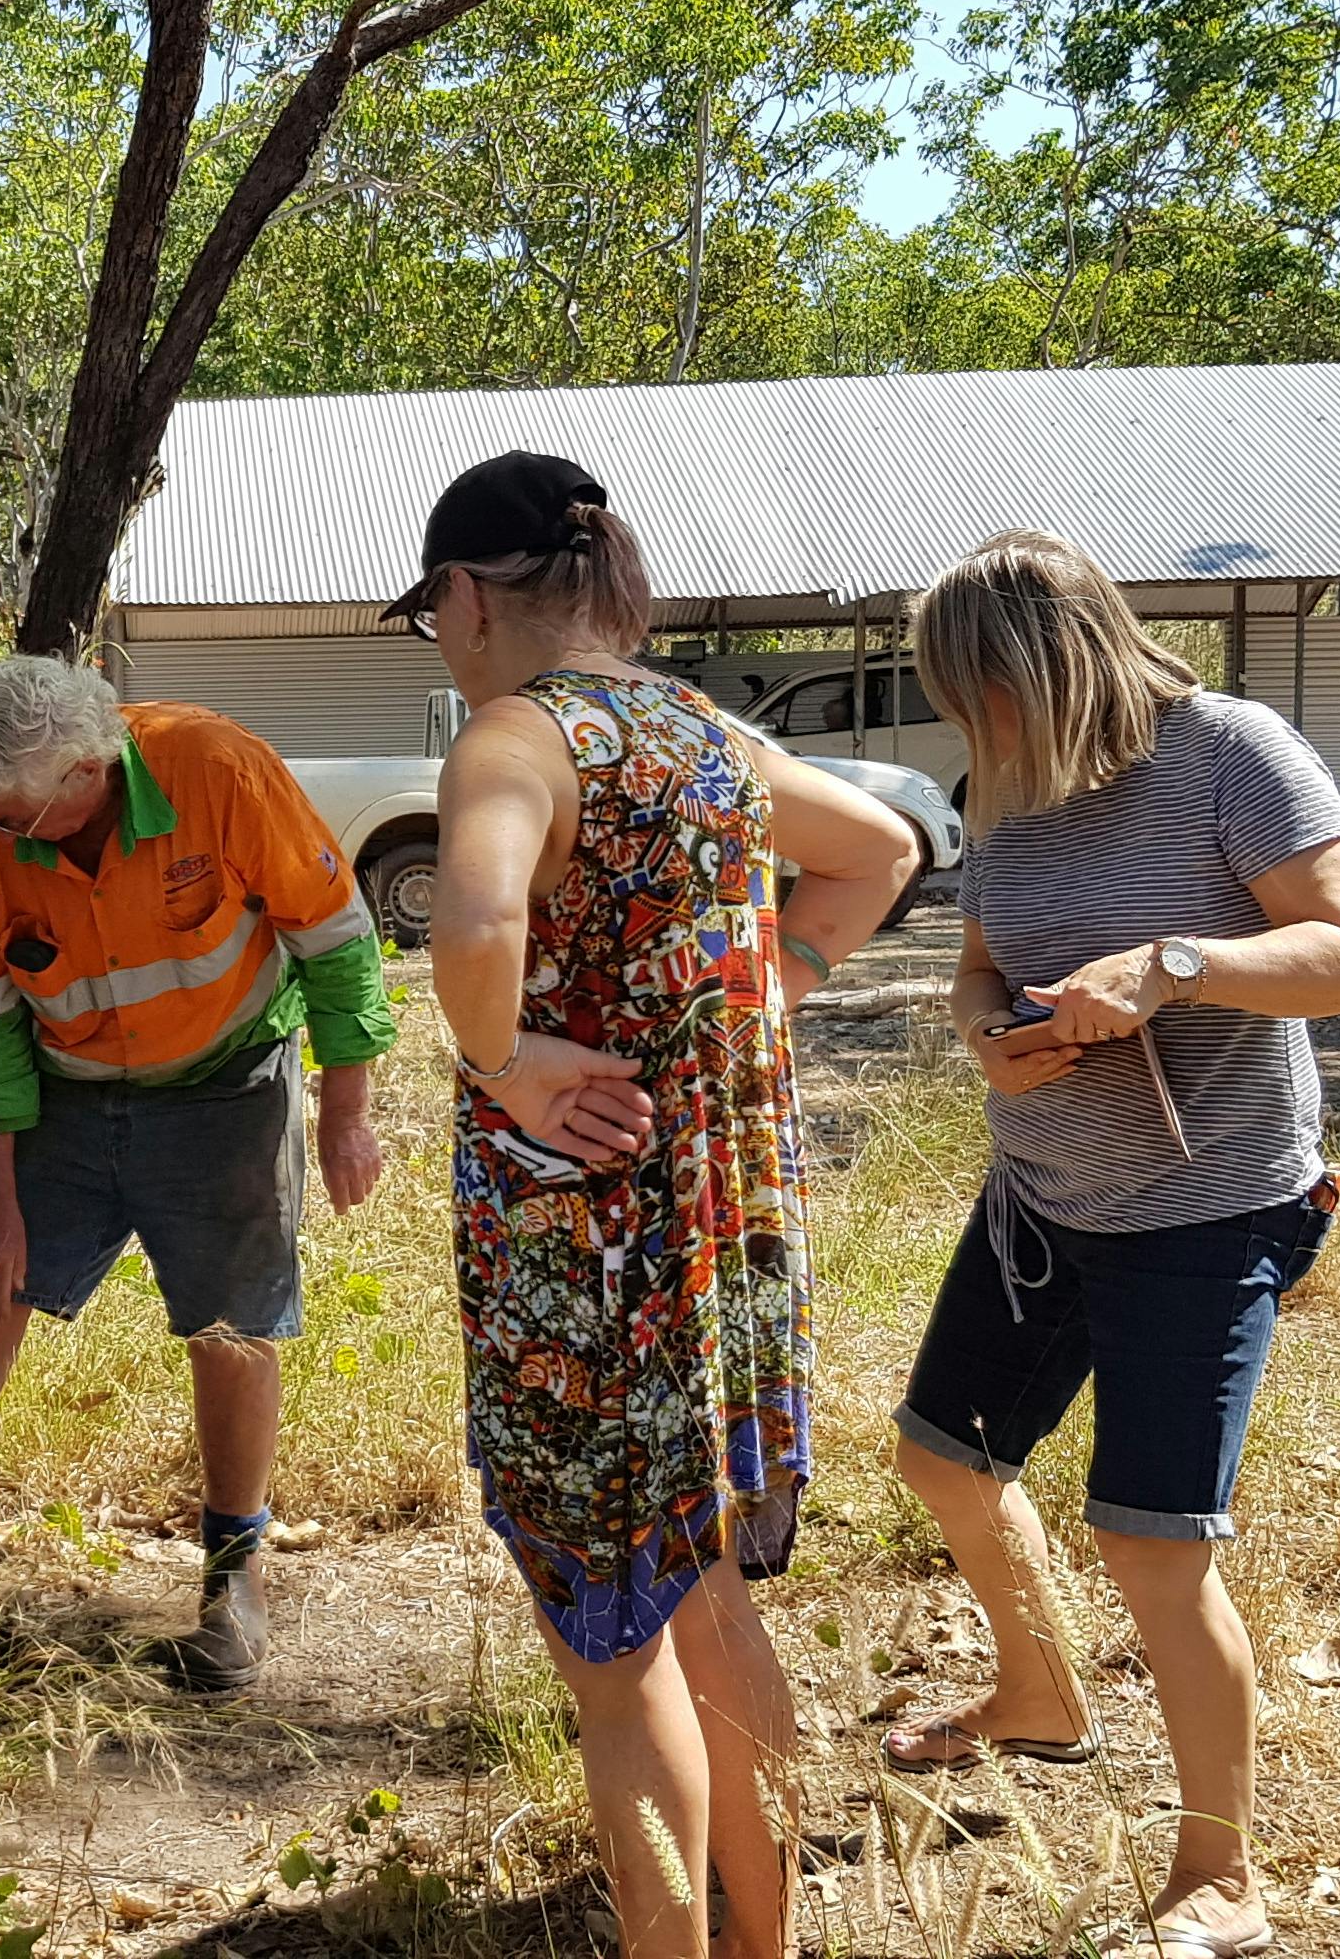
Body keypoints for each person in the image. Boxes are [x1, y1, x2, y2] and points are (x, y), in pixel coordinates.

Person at [410, 450, 917, 1959]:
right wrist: (758, 1007)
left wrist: (501, 1059)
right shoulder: (705, 733)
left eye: (431, 613)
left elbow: (482, 911)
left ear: (463, 598)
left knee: (611, 1649)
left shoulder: (515, 734)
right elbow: (880, 850)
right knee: (694, 1597)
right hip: (727, 1230)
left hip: (587, 1255)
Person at [880, 529, 1340, 1959]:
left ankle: (1223, 1875)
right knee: (944, 1456)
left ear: (1055, 669)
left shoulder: (1235, 753)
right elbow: (983, 956)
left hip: (1209, 1212)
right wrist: (991, 1032)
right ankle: (1040, 1697)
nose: (970, 730)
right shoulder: (1013, 785)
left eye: (979, 695)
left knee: (1151, 1546)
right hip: (1043, 1198)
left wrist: (1174, 966)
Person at [0, 654, 396, 1693]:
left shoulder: (216, 769)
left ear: (88, 769)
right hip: (65, 1087)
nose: (7, 838)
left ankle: (233, 1580)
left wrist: (348, 1111)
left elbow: (336, 941)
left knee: (231, 1319)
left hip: (227, 1081)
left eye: (25, 817)